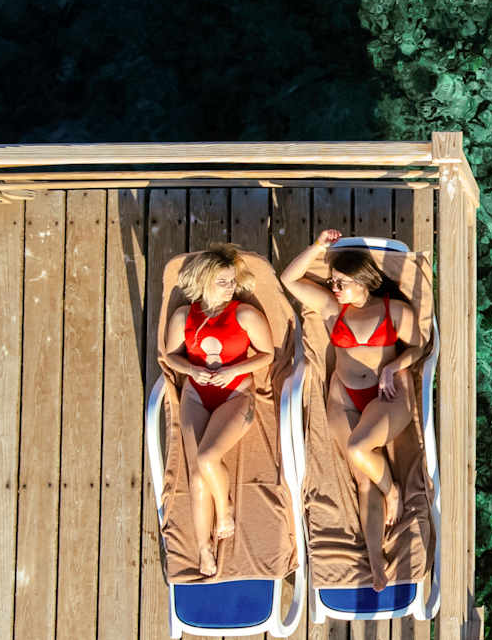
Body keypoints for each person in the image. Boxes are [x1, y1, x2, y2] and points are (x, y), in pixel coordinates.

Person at [280, 229, 425, 537]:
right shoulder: (333, 309)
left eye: (340, 283)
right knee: (363, 480)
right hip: (344, 396)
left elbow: (418, 347)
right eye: (332, 281)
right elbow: (289, 279)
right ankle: (376, 557)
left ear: (362, 281)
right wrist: (317, 246)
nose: (333, 288)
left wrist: (393, 366)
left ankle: (393, 491)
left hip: (385, 394)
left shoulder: (393, 310)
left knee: (358, 449)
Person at [155, 243, 276, 576]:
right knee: (196, 476)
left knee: (207, 459)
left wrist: (233, 369)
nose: (230, 287)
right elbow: (172, 356)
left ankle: (225, 510)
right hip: (197, 393)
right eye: (223, 281)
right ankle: (203, 548)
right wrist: (191, 370)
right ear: (204, 281)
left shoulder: (244, 314)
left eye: (232, 281)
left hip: (235, 393)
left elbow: (267, 355)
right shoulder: (184, 316)